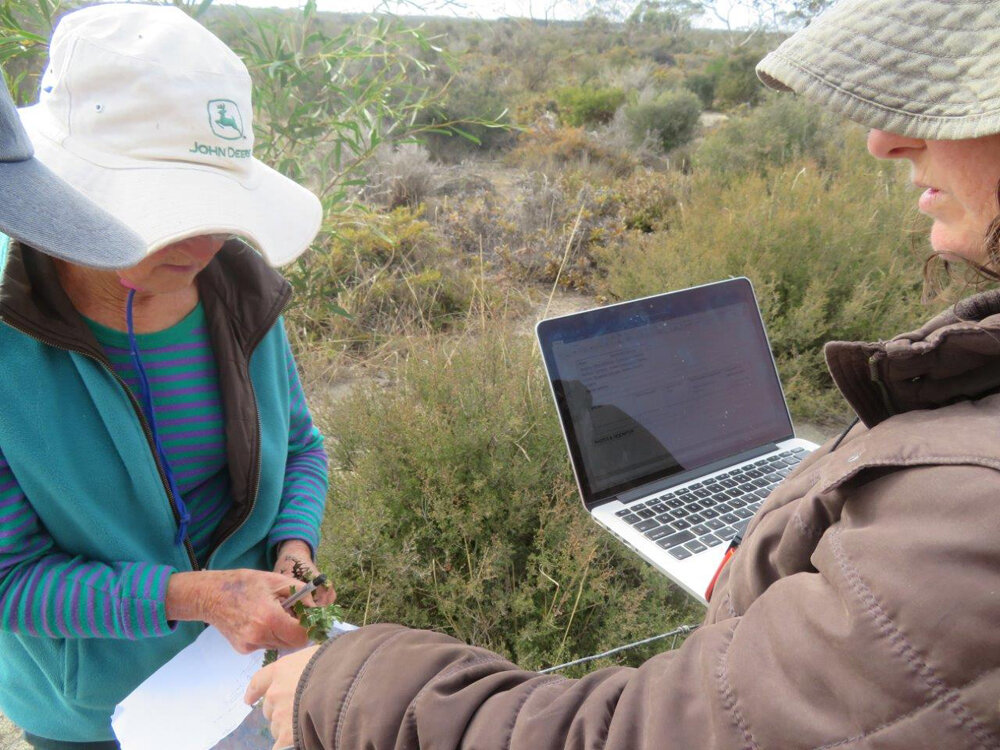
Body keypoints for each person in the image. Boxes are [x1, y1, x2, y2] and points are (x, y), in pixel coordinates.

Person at [246, 0, 1000, 747]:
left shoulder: (965, 519)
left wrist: (340, 684)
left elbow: (637, 736)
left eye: (954, 104)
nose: (883, 140)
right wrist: (783, 536)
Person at [0, 5, 335, 748]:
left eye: (219, 205)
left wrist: (293, 548)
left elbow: (302, 445)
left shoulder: (239, 295)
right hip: (90, 715)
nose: (209, 240)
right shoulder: (8, 332)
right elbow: (10, 580)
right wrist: (201, 597)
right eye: (172, 210)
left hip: (246, 676)